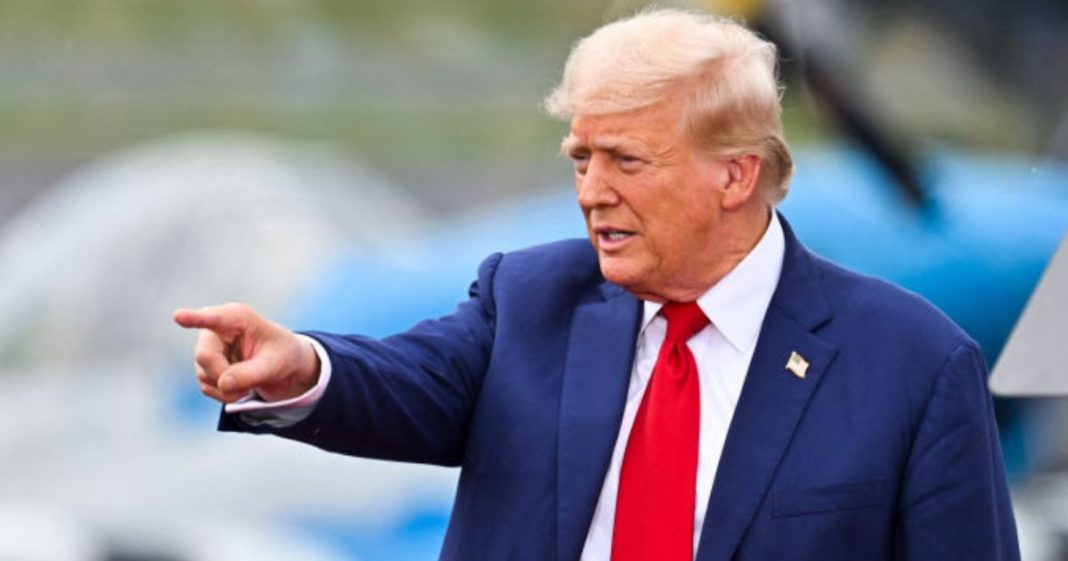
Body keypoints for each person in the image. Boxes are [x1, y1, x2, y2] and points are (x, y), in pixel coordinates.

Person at [174, 9, 1019, 561]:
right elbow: (407, 380)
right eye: (582, 157)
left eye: (625, 160)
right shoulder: (532, 298)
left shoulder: (912, 364)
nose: (590, 189)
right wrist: (302, 367)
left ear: (735, 176)